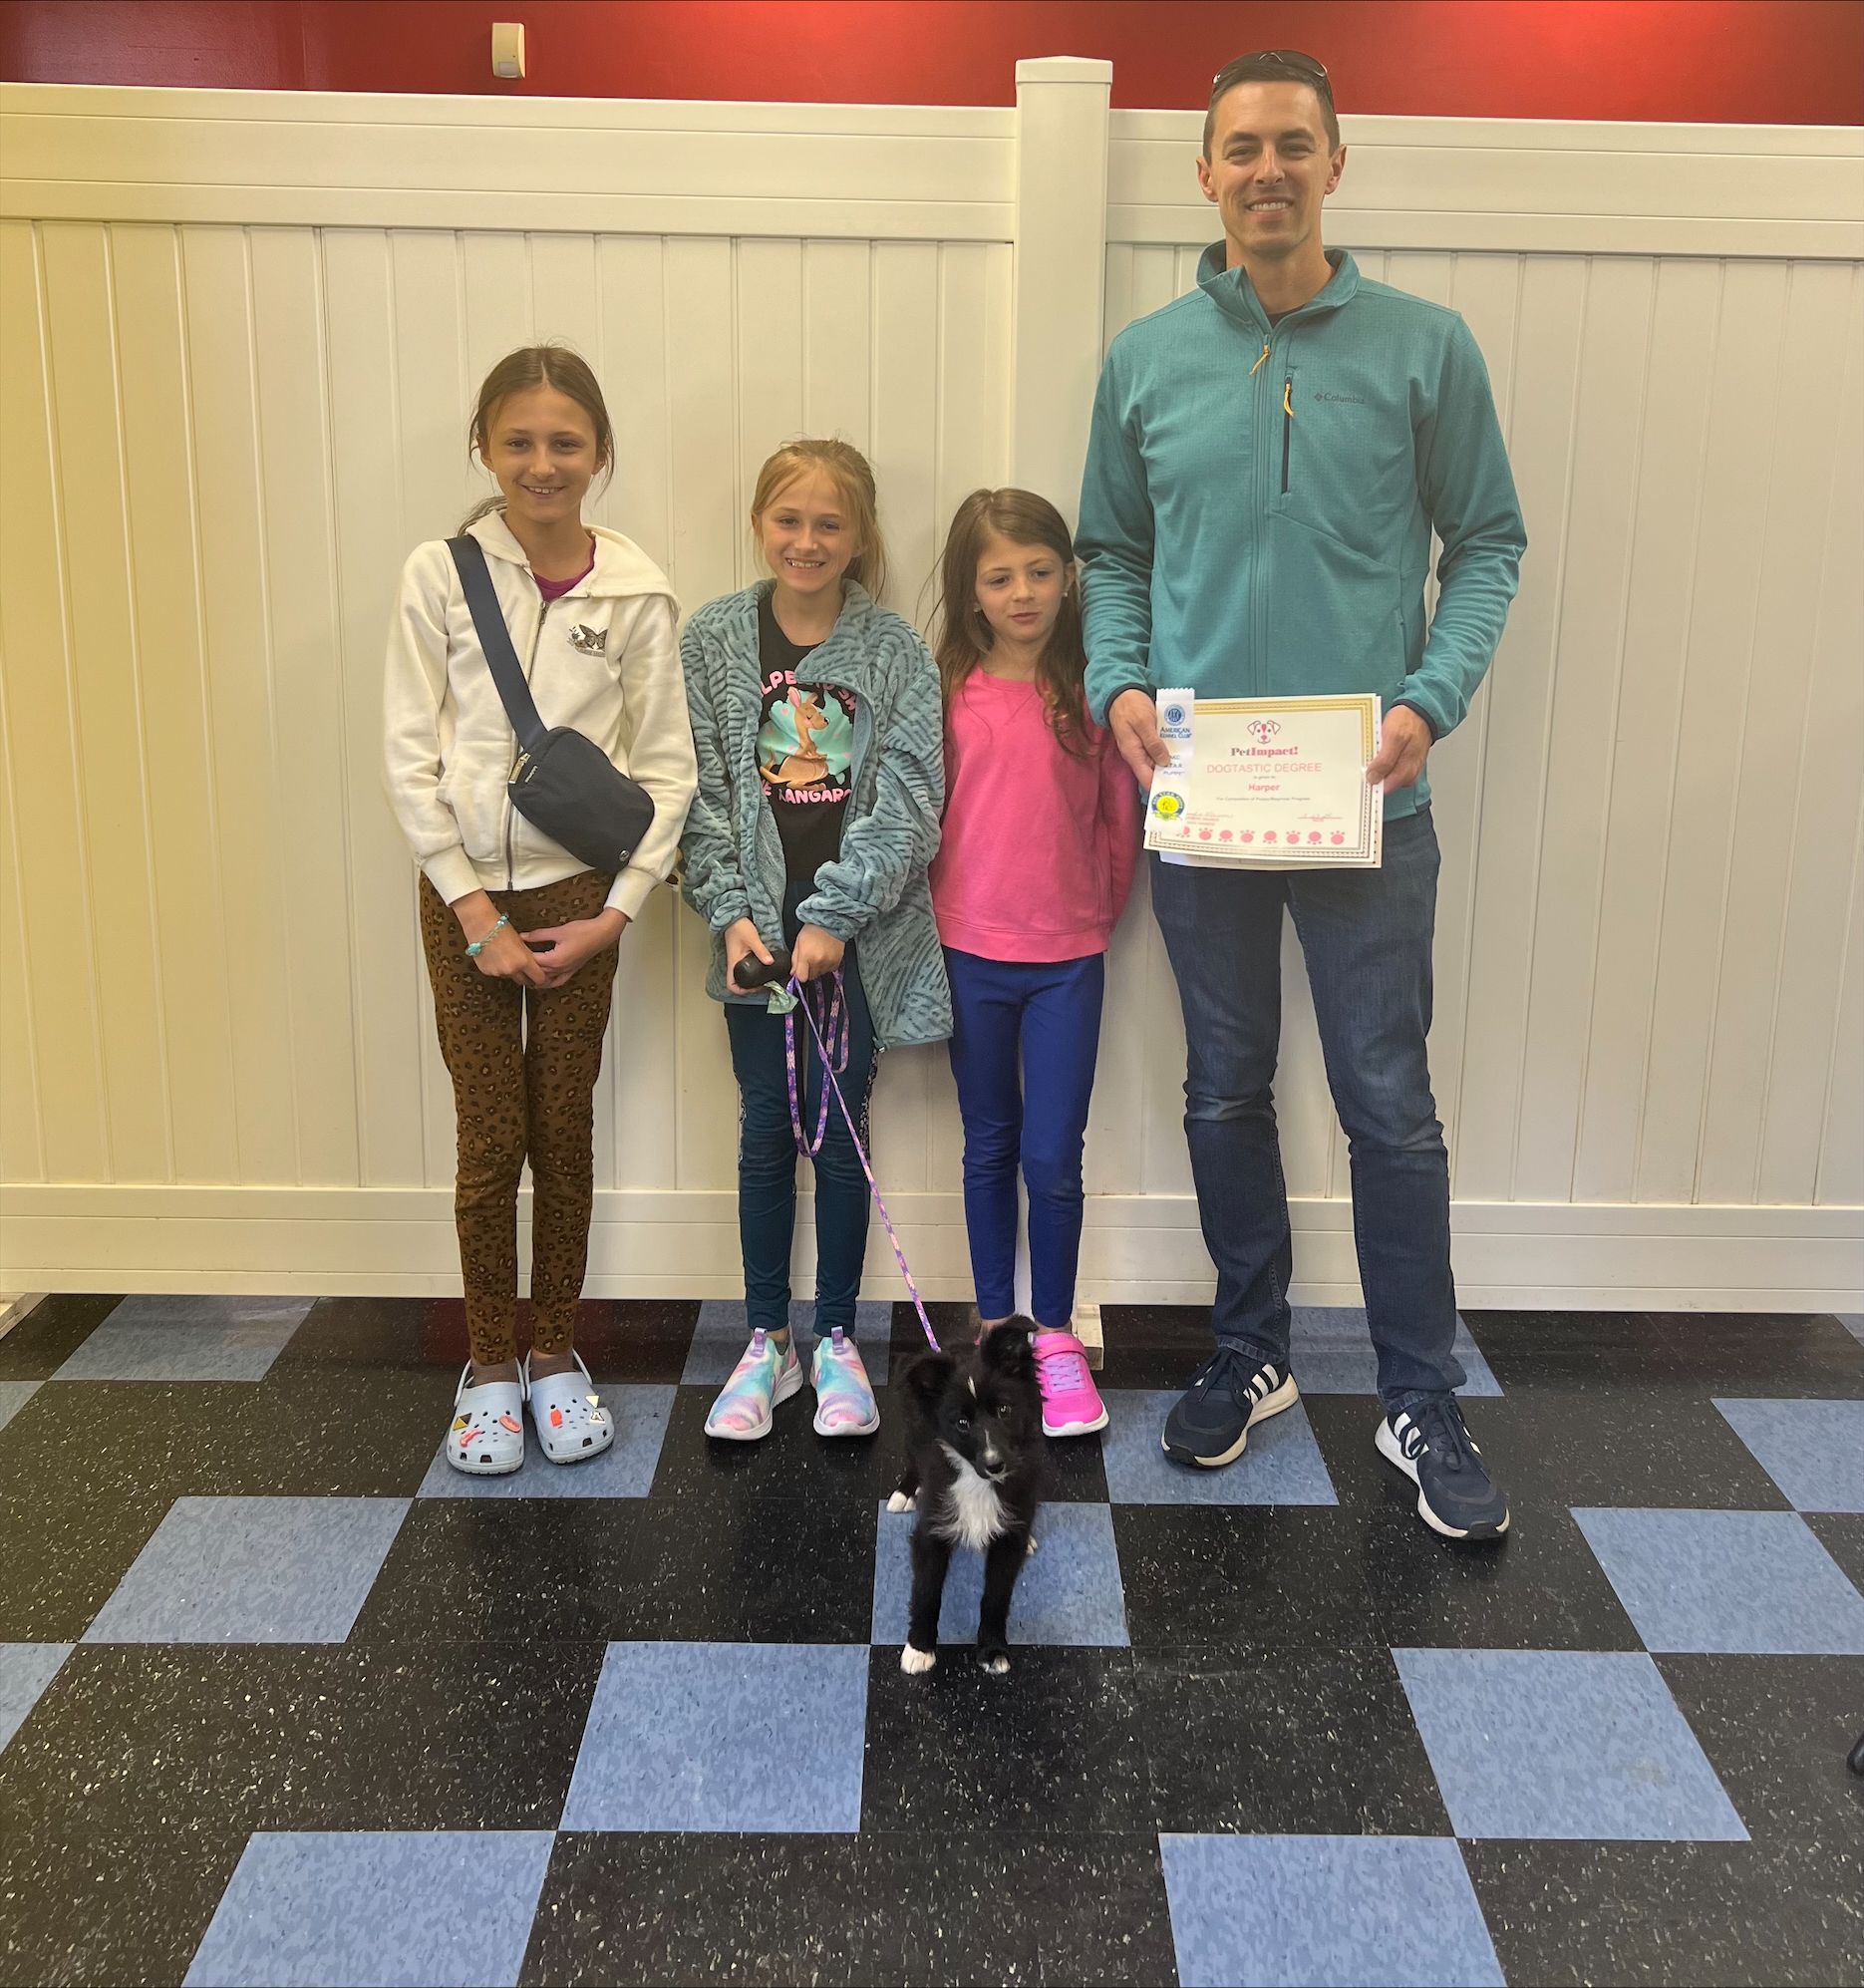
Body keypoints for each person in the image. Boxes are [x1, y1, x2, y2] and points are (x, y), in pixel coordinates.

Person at [1079, 51, 1528, 1539]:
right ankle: (1250, 1350)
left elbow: (1487, 541)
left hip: (1366, 803)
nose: (1265, 170)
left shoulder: (1424, 348)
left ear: (1336, 164)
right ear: (1203, 174)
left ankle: (1418, 1393)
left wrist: (1426, 698)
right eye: (1240, 148)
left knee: (1386, 1101)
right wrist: (1118, 680)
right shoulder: (1145, 358)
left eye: (1292, 145)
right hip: (1202, 799)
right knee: (1222, 1084)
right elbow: (1111, 553)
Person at [383, 344, 698, 1475]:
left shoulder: (636, 592)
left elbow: (667, 770)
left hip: (580, 901)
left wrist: (618, 912)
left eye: (566, 442)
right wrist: (472, 909)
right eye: (518, 441)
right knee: (489, 1138)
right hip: (462, 896)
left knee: (562, 1132)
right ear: (485, 446)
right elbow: (408, 752)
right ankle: (488, 1366)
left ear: (600, 451)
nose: (542, 463)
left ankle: (555, 1350)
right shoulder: (439, 574)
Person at [679, 439, 950, 1443]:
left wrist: (835, 915)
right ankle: (767, 1340)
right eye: (788, 519)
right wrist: (731, 913)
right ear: (760, 523)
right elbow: (696, 790)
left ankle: (836, 1335)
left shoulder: (894, 651)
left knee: (839, 1132)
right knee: (764, 1127)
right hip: (752, 936)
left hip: (855, 941)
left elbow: (912, 798)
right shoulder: (713, 639)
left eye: (829, 523)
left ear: (860, 534)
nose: (807, 540)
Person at [928, 488, 1139, 1438]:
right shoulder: (947, 689)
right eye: (1000, 577)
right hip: (968, 954)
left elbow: (1120, 819)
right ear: (969, 590)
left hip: (1067, 961)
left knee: (1053, 1157)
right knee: (989, 1145)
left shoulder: (1094, 692)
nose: (1023, 593)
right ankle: (996, 1330)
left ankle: (1054, 1335)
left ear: (1067, 576)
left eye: (1041, 572)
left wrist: (1096, 911)